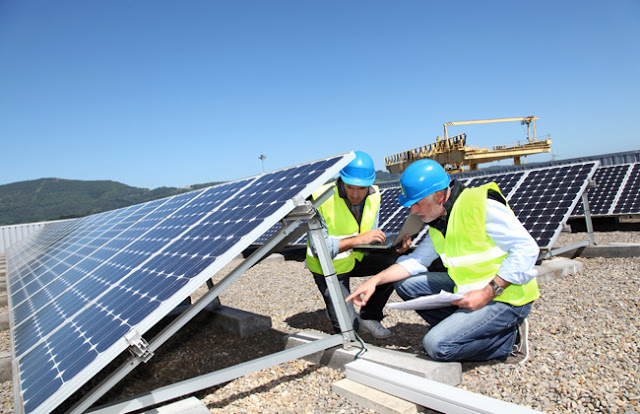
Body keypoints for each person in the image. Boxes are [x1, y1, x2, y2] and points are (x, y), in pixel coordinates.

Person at [346, 159, 540, 363]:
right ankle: (466, 329)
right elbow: (417, 261)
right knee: (406, 284)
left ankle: (509, 341)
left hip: (506, 296)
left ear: (439, 196)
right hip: (468, 288)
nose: (413, 211)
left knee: (437, 346)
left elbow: (527, 248)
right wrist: (374, 281)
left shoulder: (481, 205)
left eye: (417, 203)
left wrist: (488, 292)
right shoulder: (440, 221)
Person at [306, 151, 409, 339]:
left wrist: (395, 245)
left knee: (398, 262)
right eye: (351, 187)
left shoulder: (374, 195)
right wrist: (359, 240)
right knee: (348, 330)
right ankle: (353, 320)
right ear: (341, 180)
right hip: (329, 267)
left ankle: (369, 316)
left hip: (357, 257)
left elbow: (371, 237)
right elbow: (319, 248)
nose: (356, 194)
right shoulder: (320, 199)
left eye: (361, 188)